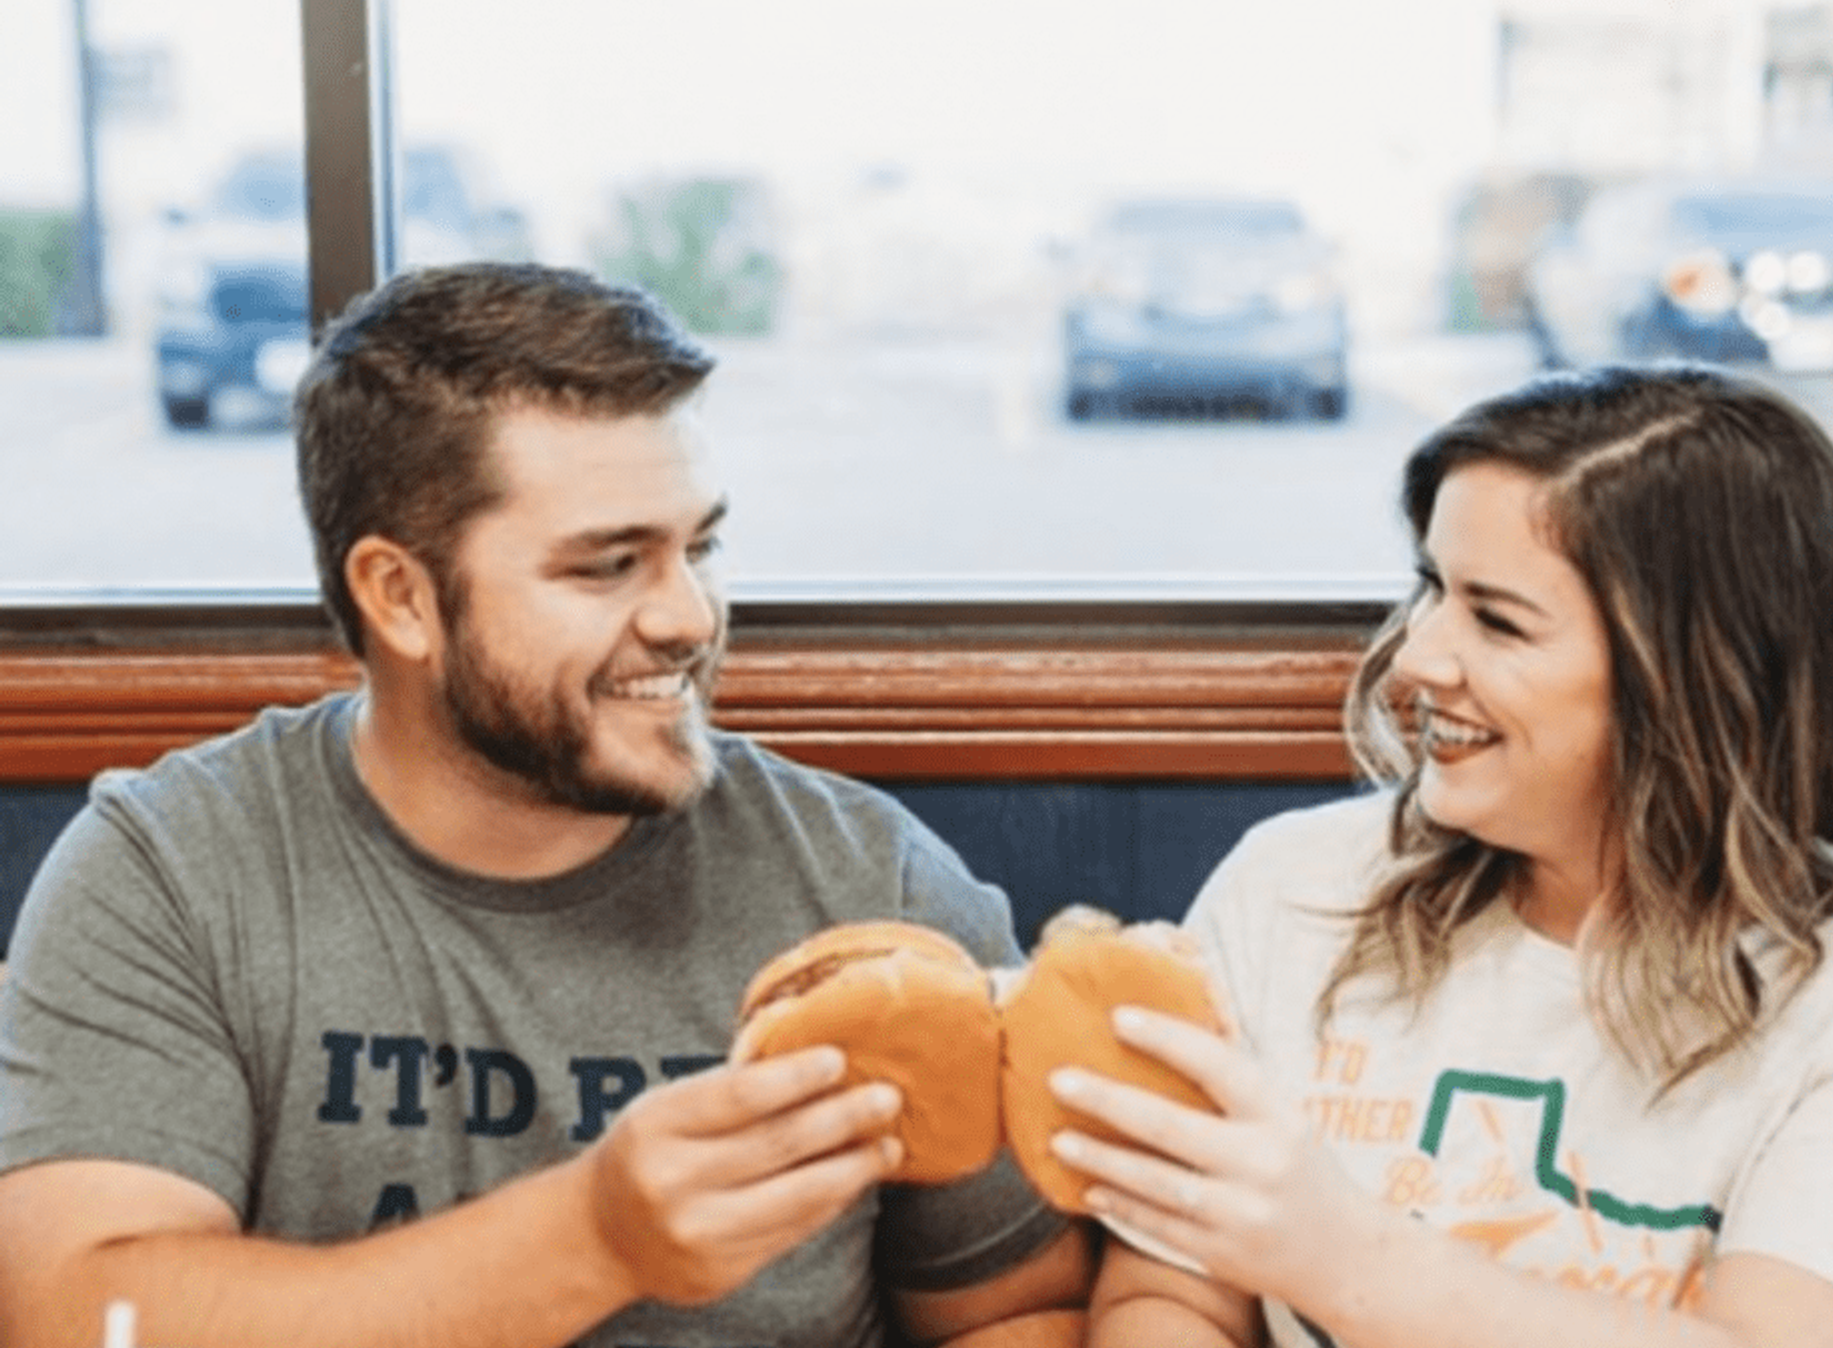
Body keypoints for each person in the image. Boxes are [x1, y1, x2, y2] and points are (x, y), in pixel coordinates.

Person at [0, 263, 1091, 1348]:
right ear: (401, 597)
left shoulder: (868, 887)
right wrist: (594, 1238)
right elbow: (81, 1318)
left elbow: (1016, 1312)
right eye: (608, 566)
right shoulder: (174, 873)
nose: (688, 618)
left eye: (698, 548)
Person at [1047, 364, 1833, 1348]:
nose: (1416, 658)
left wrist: (1344, 1258)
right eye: (1429, 589)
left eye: (1496, 620)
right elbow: (1168, 1296)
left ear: (1694, 681)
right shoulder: (1289, 886)